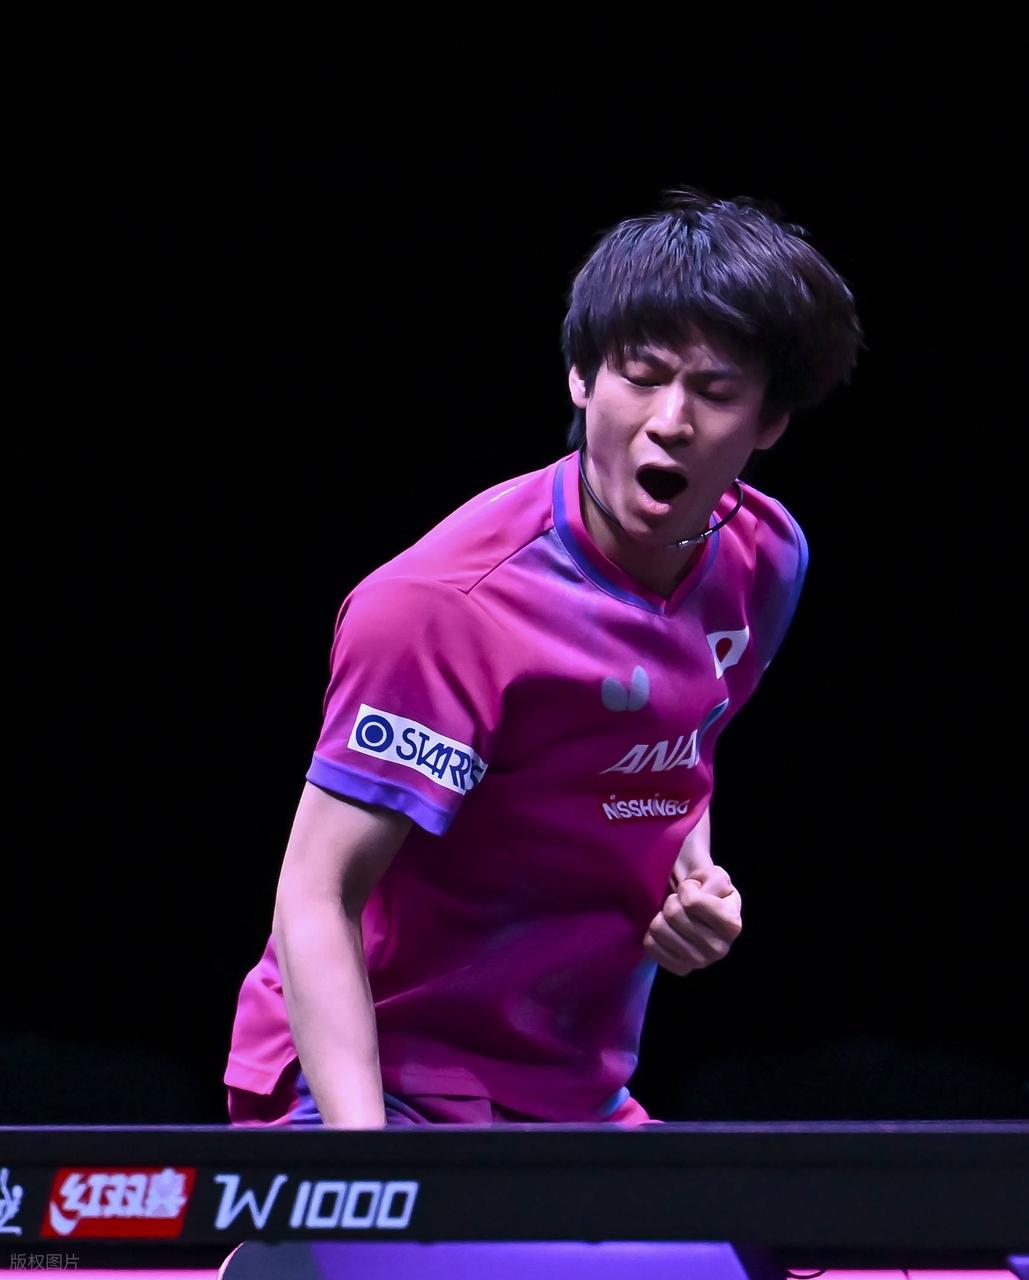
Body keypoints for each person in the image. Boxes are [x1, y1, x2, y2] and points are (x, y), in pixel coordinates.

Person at [224, 187, 861, 1129]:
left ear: (769, 421)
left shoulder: (764, 561)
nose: (671, 420)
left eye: (717, 392)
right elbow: (317, 894)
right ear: (581, 379)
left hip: (574, 1097)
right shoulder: (447, 609)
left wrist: (693, 875)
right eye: (641, 376)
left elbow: (677, 737)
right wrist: (366, 1182)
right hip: (374, 1080)